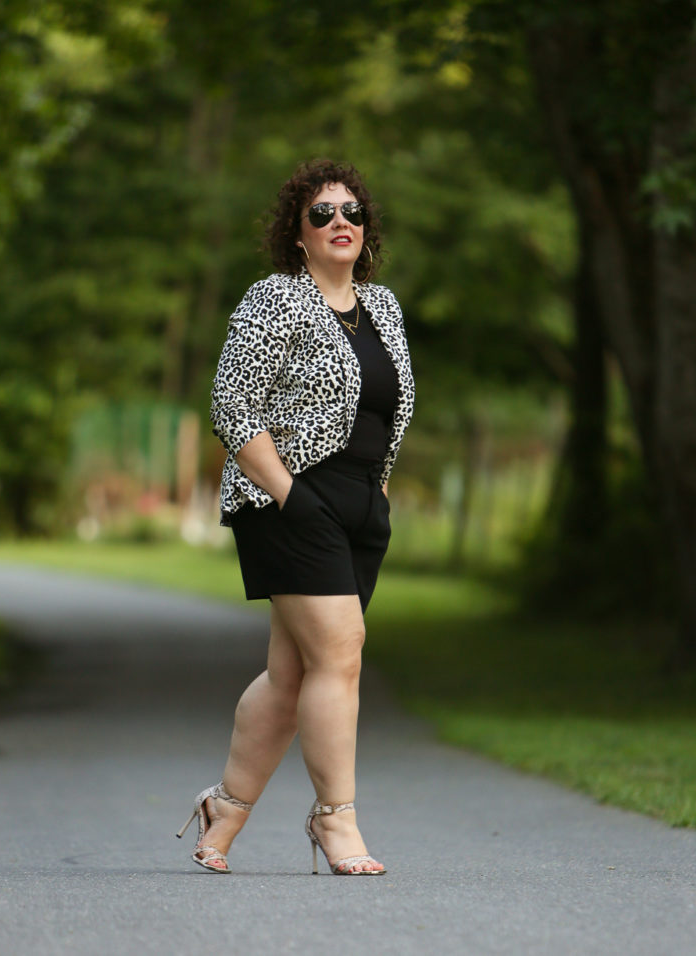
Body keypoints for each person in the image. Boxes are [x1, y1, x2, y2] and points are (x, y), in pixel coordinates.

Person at [176, 159, 414, 876]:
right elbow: (233, 405)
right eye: (321, 213)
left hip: (360, 503)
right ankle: (334, 819)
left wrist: (373, 497)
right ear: (298, 234)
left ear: (365, 230)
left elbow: (386, 411)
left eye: (352, 212)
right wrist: (288, 493)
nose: (339, 222)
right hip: (289, 497)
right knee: (341, 650)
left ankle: (226, 811)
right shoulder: (275, 299)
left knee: (291, 677)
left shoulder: (385, 308)